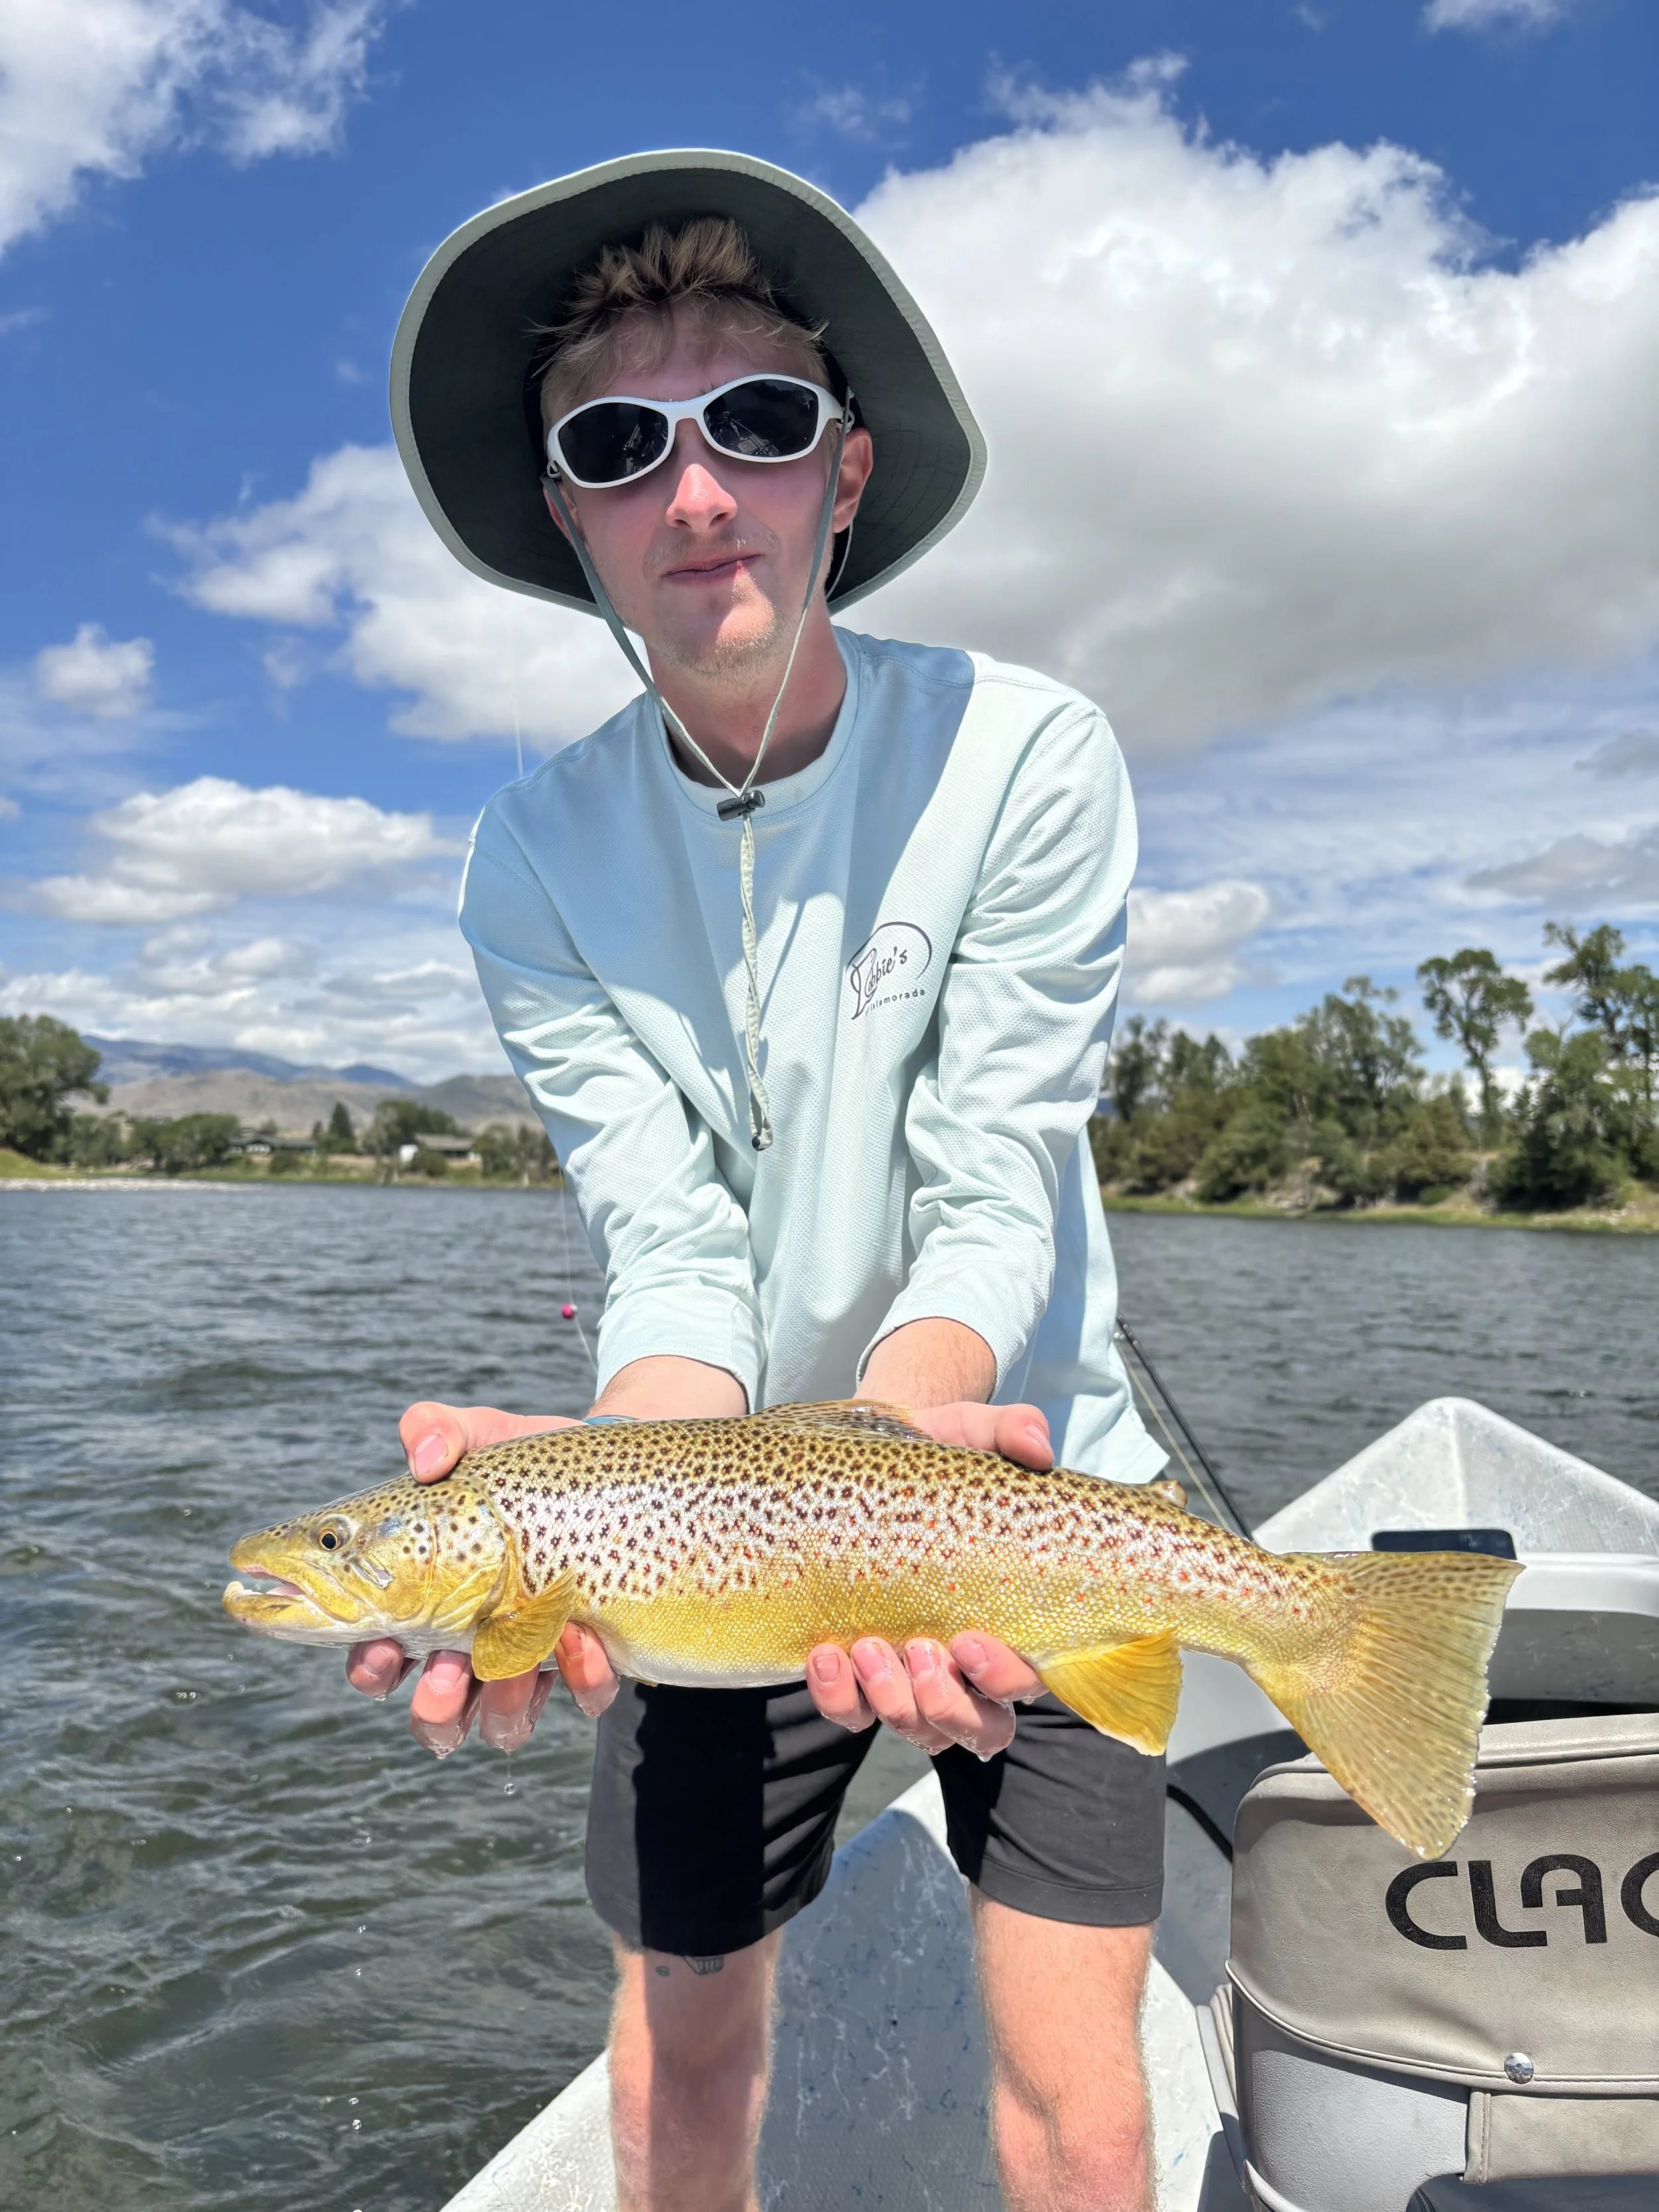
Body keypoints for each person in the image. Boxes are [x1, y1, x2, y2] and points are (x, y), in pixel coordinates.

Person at [354, 151, 1169, 2212]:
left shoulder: (1030, 751)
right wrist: (596, 1499)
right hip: (703, 1560)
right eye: (621, 442)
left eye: (761, 422)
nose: (697, 493)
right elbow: (672, 1248)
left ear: (846, 472)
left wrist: (901, 1466)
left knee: (1081, 2115)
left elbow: (995, 1171)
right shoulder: (524, 860)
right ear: (568, 514)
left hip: (1034, 1476)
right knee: (676, 2075)